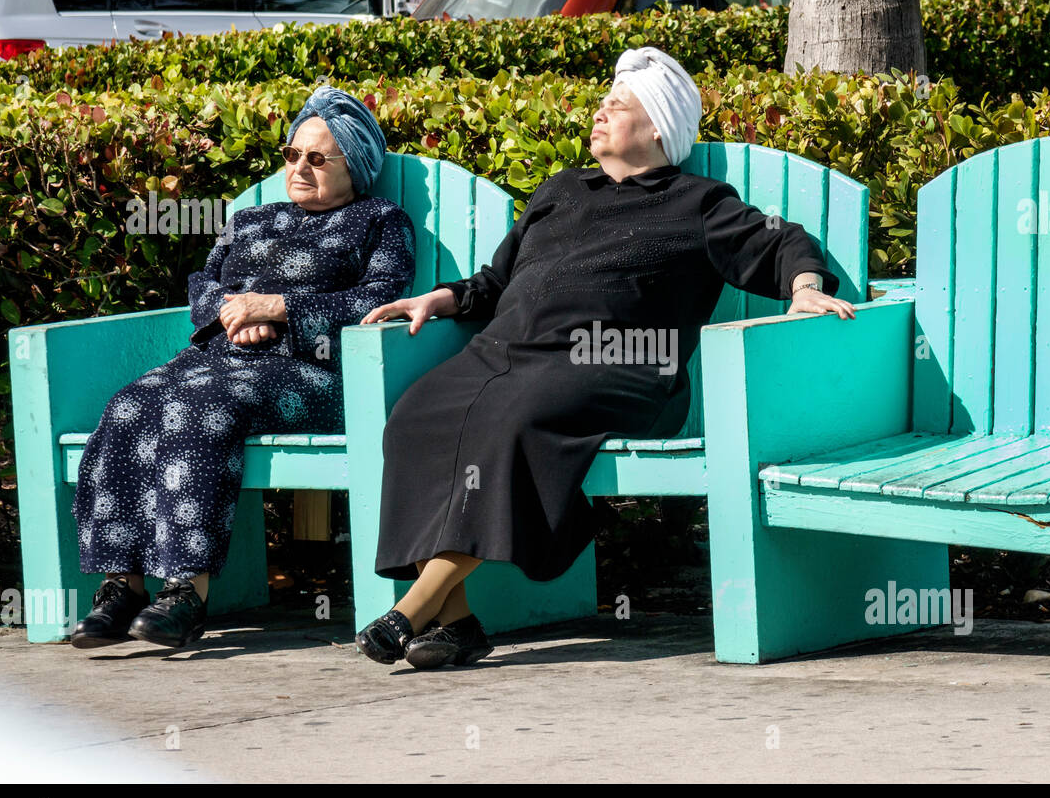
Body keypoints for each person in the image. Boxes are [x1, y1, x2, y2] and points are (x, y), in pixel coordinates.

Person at [355, 46, 856, 670]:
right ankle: (455, 625)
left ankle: (410, 610)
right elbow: (497, 279)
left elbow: (779, 240)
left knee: (512, 422)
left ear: (657, 129)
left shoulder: (696, 203)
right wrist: (443, 298)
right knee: (414, 417)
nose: (598, 115)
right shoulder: (561, 190)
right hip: (508, 355)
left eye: (616, 107)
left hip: (620, 367)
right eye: (601, 104)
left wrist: (805, 285)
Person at [69, 87, 415, 651]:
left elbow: (379, 301)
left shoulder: (379, 221)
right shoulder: (251, 218)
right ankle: (123, 586)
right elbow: (204, 284)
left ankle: (186, 593)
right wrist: (234, 315)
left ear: (356, 168)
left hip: (314, 370)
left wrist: (279, 309)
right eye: (292, 154)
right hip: (220, 356)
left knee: (200, 410)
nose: (299, 167)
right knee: (129, 403)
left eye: (317, 158)